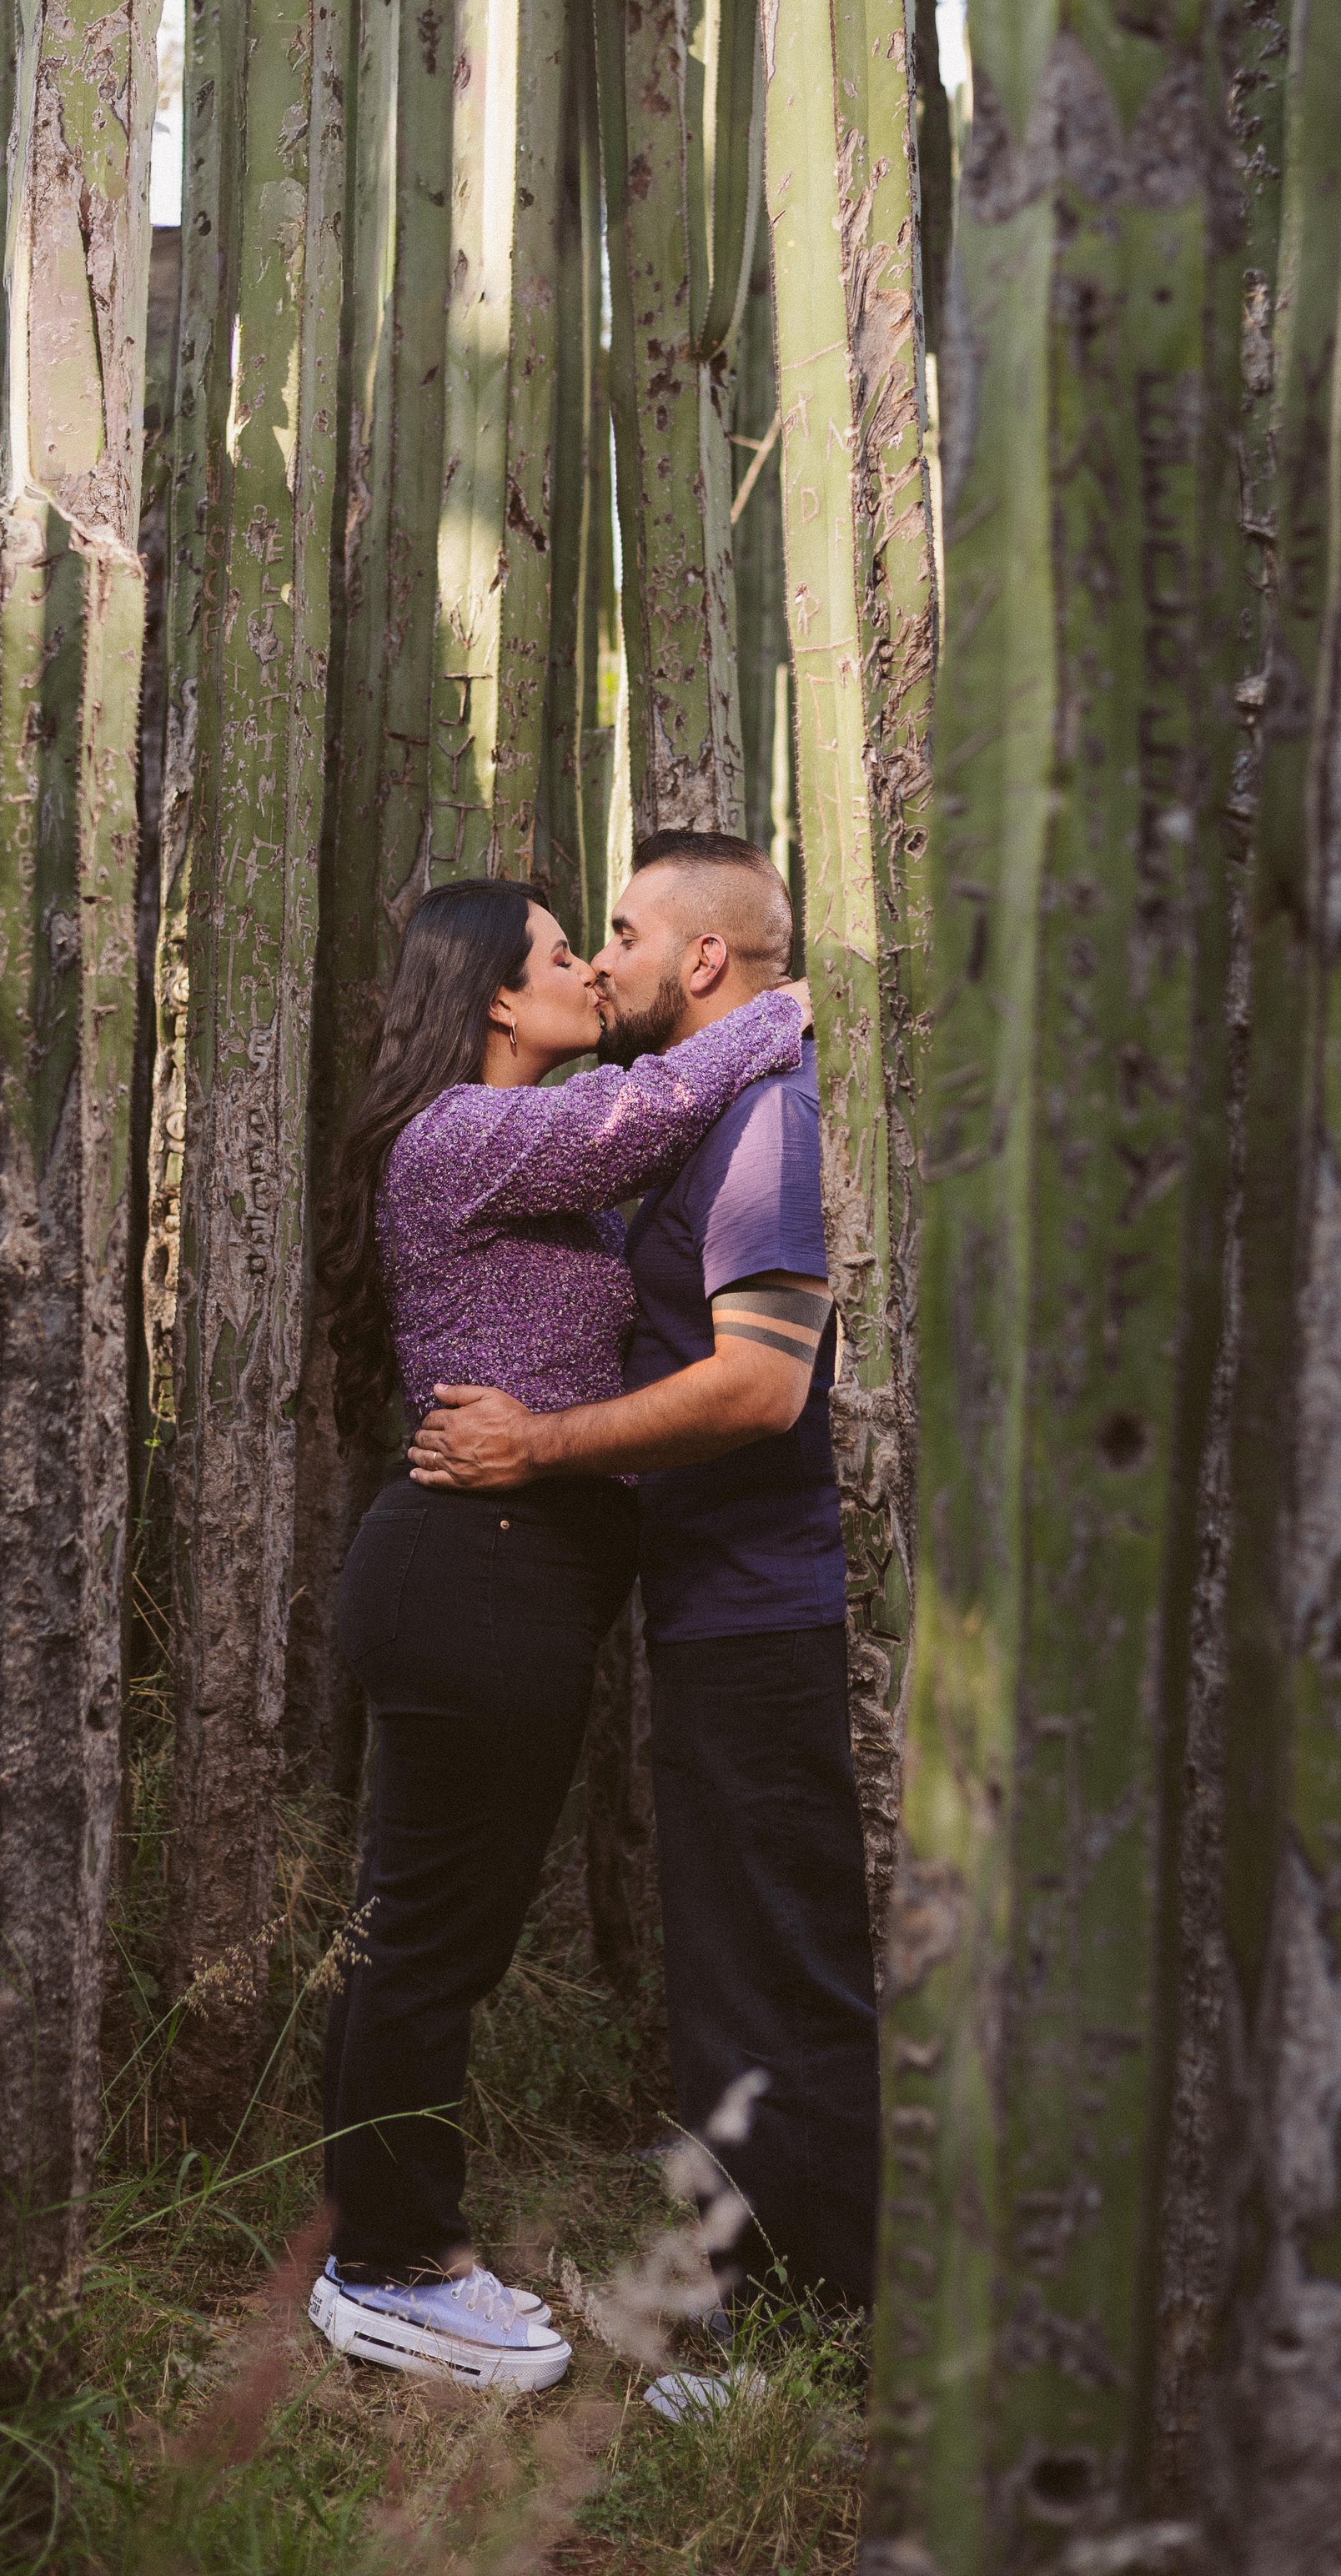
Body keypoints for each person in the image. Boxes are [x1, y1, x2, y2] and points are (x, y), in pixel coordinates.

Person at [308, 874, 810, 2389]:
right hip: (475, 1567)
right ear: (493, 1001)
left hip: (507, 1576)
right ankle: (386, 2267)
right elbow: (644, 1112)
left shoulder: (513, 1162)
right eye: (557, 953)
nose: (590, 967)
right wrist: (788, 1004)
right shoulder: (462, 1132)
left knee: (435, 1928)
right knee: (426, 1936)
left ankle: (400, 2245)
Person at [409, 829, 881, 2316]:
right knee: (737, 1965)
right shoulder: (690, 1123)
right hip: (708, 1600)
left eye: (617, 930)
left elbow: (759, 1388)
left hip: (765, 1603)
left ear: (704, 962)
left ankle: (803, 2319)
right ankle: (769, 2296)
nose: (599, 959)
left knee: (777, 1973)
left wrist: (541, 1442)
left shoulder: (763, 1125)